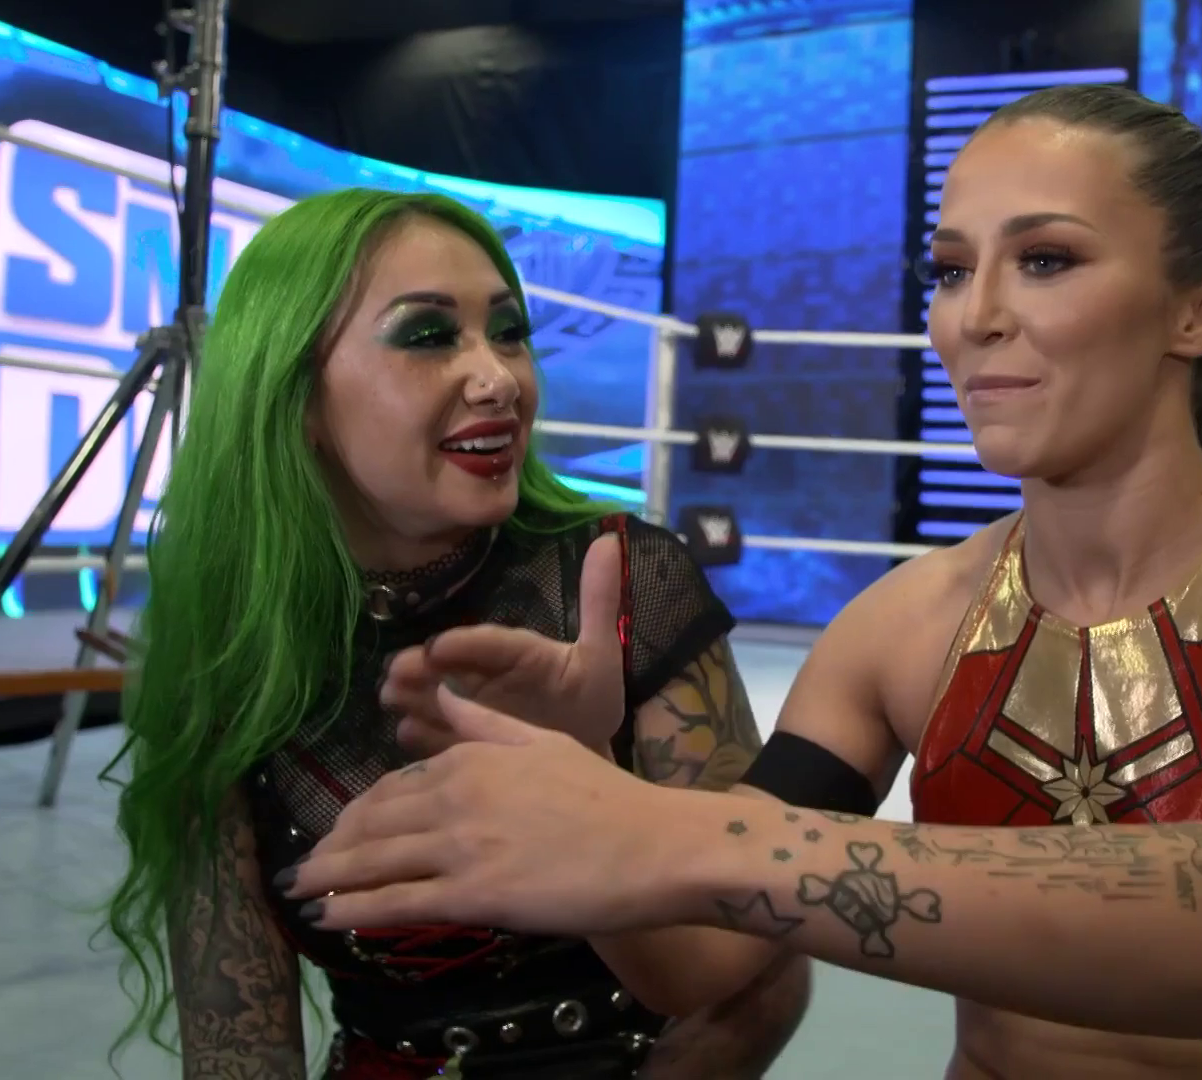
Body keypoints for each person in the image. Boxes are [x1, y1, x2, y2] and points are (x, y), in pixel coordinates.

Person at [283, 85, 1202, 1079]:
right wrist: (594, 776)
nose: (974, 318)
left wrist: (690, 837)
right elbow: (706, 967)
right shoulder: (901, 627)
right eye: (950, 271)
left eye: (1046, 260)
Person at [102, 188, 810, 1080]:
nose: (499, 378)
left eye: (509, 332)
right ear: (296, 394)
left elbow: (758, 972)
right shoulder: (229, 652)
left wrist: (586, 781)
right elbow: (238, 1048)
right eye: (430, 336)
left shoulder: (624, 578)